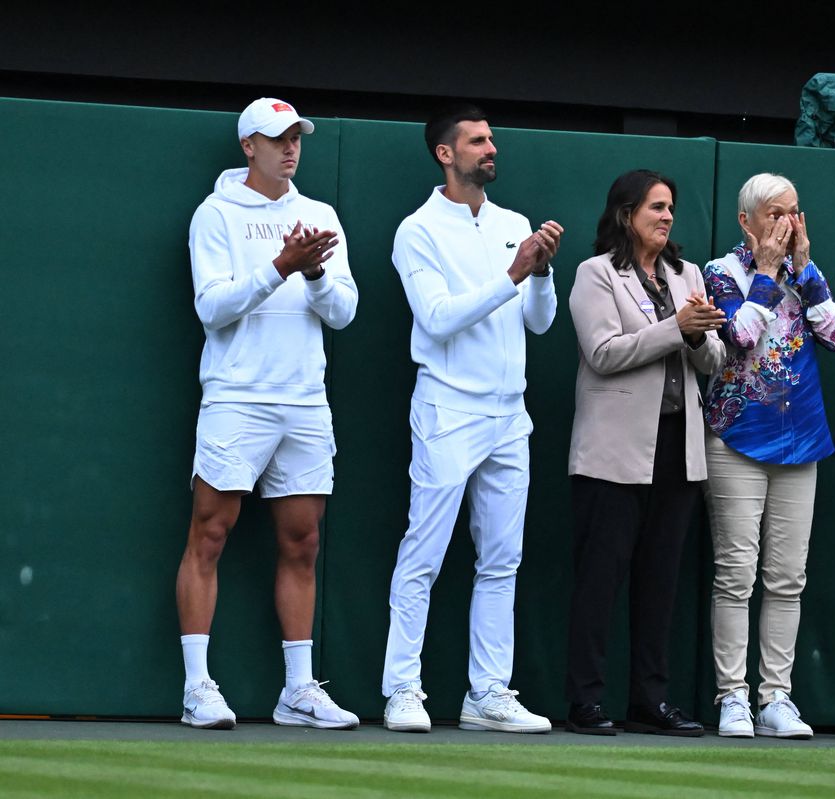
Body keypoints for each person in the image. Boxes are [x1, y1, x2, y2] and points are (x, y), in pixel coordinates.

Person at [174, 97, 360, 730]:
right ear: (248, 146)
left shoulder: (320, 215)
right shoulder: (215, 214)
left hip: (305, 401)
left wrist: (310, 277)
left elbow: (342, 312)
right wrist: (282, 265)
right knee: (211, 532)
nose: (292, 148)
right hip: (236, 397)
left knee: (302, 543)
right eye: (277, 138)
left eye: (297, 138)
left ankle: (299, 691)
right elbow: (213, 308)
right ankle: (197, 686)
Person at [382, 104, 562, 735]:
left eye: (492, 140)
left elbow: (539, 321)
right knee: (423, 553)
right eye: (477, 141)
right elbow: (435, 318)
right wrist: (514, 274)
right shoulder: (418, 231)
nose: (490, 149)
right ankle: (402, 688)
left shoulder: (513, 223)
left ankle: (487, 694)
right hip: (447, 409)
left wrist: (538, 275)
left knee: (501, 560)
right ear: (445, 153)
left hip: (509, 416)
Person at [565, 169, 725, 737]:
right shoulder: (596, 274)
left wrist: (701, 335)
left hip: (677, 452)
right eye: (655, 207)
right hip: (614, 453)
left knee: (660, 583)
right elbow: (604, 353)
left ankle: (650, 701)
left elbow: (713, 362)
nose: (666, 217)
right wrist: (676, 329)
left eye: (671, 208)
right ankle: (585, 701)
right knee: (600, 580)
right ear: (625, 213)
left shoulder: (688, 275)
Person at [702, 173, 835, 738]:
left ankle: (777, 697)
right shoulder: (722, 272)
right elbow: (738, 338)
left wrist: (804, 272)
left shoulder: (807, 275)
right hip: (737, 434)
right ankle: (732, 696)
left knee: (788, 577)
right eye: (774, 213)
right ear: (747, 220)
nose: (785, 224)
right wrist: (765, 275)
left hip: (801, 439)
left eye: (793, 212)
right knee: (736, 574)